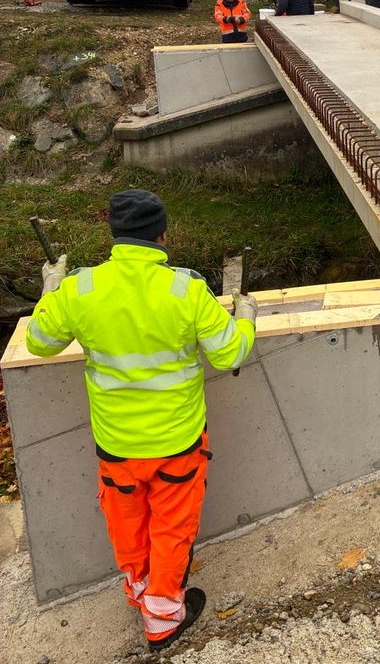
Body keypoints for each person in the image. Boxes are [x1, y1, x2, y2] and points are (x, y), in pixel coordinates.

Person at [25, 189, 258, 652]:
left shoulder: (80, 289)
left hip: (116, 445)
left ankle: (140, 591)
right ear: (163, 235)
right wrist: (247, 316)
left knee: (127, 525)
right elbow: (229, 352)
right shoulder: (186, 290)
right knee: (172, 531)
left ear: (114, 234)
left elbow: (39, 342)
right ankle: (163, 619)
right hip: (177, 443)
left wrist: (51, 291)